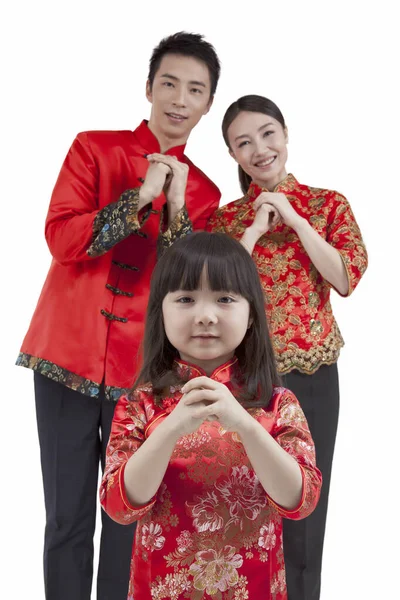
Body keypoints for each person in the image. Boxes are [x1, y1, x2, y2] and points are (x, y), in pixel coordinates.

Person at [16, 32, 221, 600]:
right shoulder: (93, 148)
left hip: (144, 373)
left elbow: (188, 289)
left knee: (130, 520)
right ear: (149, 88)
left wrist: (176, 209)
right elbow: (61, 239)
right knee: (66, 519)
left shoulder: (204, 192)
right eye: (170, 84)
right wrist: (137, 198)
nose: (180, 99)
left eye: (195, 90)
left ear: (207, 104)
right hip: (65, 356)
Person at [100, 231, 322, 600]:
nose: (205, 315)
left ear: (251, 315)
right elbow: (119, 507)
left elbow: (302, 501)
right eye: (186, 298)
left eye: (224, 299)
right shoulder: (139, 404)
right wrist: (170, 428)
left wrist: (244, 425)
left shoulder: (277, 403)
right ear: (161, 312)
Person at [207, 95, 368, 600]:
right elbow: (217, 292)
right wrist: (254, 230)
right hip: (245, 380)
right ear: (233, 155)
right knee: (241, 505)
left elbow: (345, 277)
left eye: (267, 134)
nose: (259, 149)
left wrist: (297, 220)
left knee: (303, 511)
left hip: (314, 377)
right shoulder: (226, 220)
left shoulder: (328, 204)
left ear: (285, 133)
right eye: (244, 143)